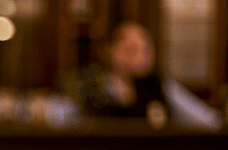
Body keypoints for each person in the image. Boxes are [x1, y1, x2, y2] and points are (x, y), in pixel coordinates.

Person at [81, 21, 223, 130]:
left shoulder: (162, 87)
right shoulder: (98, 90)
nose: (141, 57)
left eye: (145, 49)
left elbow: (210, 121)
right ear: (113, 52)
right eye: (132, 49)